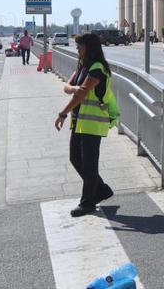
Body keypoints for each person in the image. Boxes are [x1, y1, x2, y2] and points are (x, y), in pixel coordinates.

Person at [55, 33, 118, 217]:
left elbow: (81, 95)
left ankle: (88, 202)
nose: (77, 50)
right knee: (75, 158)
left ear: (89, 47)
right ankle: (101, 190)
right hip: (80, 121)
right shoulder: (84, 65)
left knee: (89, 164)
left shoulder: (97, 68)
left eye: (79, 47)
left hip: (92, 123)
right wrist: (76, 88)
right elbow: (68, 87)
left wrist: (62, 113)